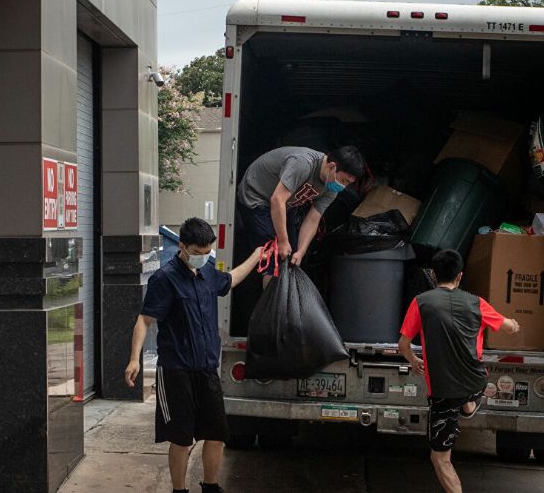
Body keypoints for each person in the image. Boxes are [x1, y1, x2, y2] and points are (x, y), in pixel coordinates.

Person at [124, 217, 262, 493]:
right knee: (182, 438)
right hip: (176, 370)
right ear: (182, 247)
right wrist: (134, 358)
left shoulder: (208, 270)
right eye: (198, 252)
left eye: (207, 251)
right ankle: (179, 490)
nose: (203, 256)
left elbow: (230, 279)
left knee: (216, 434)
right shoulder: (165, 279)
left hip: (207, 368)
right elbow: (145, 319)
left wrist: (257, 256)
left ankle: (211, 486)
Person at [398, 249, 521, 493]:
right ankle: (469, 405)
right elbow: (508, 327)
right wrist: (514, 324)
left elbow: (403, 344)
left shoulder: (421, 302)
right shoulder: (476, 302)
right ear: (460, 276)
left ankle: (464, 406)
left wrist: (413, 359)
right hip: (476, 383)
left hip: (443, 392)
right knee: (469, 392)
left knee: (440, 458)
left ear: (433, 275)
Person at [236, 145, 364, 286]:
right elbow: (277, 199)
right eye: (344, 180)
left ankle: (285, 295)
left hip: (285, 205)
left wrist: (301, 251)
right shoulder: (303, 164)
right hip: (257, 197)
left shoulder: (331, 187)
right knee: (274, 258)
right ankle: (273, 299)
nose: (343, 186)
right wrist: (282, 241)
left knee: (291, 256)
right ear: (332, 166)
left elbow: (313, 219)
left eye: (348, 184)